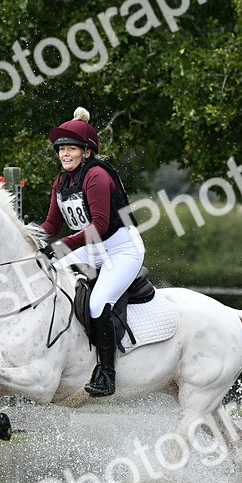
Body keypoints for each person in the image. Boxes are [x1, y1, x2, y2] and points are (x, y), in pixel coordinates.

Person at [40, 107, 144, 397]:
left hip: (120, 249)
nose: (64, 155)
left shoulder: (96, 176)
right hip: (90, 250)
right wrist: (28, 237)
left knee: (98, 304)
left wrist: (61, 247)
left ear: (86, 152)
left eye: (71, 149)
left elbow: (98, 225)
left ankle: (107, 374)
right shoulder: (61, 181)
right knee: (50, 278)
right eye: (61, 150)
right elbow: (51, 224)